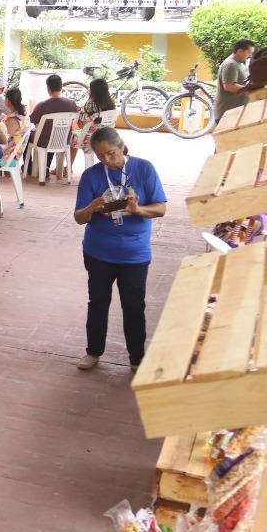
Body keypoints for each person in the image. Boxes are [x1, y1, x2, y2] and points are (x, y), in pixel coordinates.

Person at [74, 126, 168, 371]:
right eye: (100, 156)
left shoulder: (143, 168)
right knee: (98, 302)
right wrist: (92, 208)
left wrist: (138, 210)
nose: (107, 160)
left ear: (122, 146)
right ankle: (93, 352)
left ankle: (137, 358)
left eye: (111, 153)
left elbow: (160, 208)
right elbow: (79, 218)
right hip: (98, 252)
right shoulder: (91, 176)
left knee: (134, 306)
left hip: (134, 254)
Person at [30, 72, 84, 181]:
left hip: (44, 141)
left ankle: (31, 166)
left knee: (29, 135)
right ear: (61, 87)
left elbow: (32, 120)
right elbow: (76, 119)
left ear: (48, 88)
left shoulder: (43, 105)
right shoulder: (72, 104)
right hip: (64, 140)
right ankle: (47, 166)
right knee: (52, 134)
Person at [213, 39, 255, 124]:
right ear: (239, 51)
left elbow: (244, 83)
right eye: (248, 52)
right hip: (227, 114)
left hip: (235, 113)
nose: (250, 55)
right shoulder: (231, 64)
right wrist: (252, 89)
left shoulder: (240, 64)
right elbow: (229, 86)